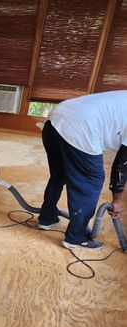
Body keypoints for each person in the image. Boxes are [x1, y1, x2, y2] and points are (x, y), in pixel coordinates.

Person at [38, 90, 127, 251]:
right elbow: (122, 165)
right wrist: (117, 200)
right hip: (82, 126)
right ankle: (76, 237)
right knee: (92, 179)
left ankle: (47, 217)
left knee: (59, 174)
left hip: (56, 119)